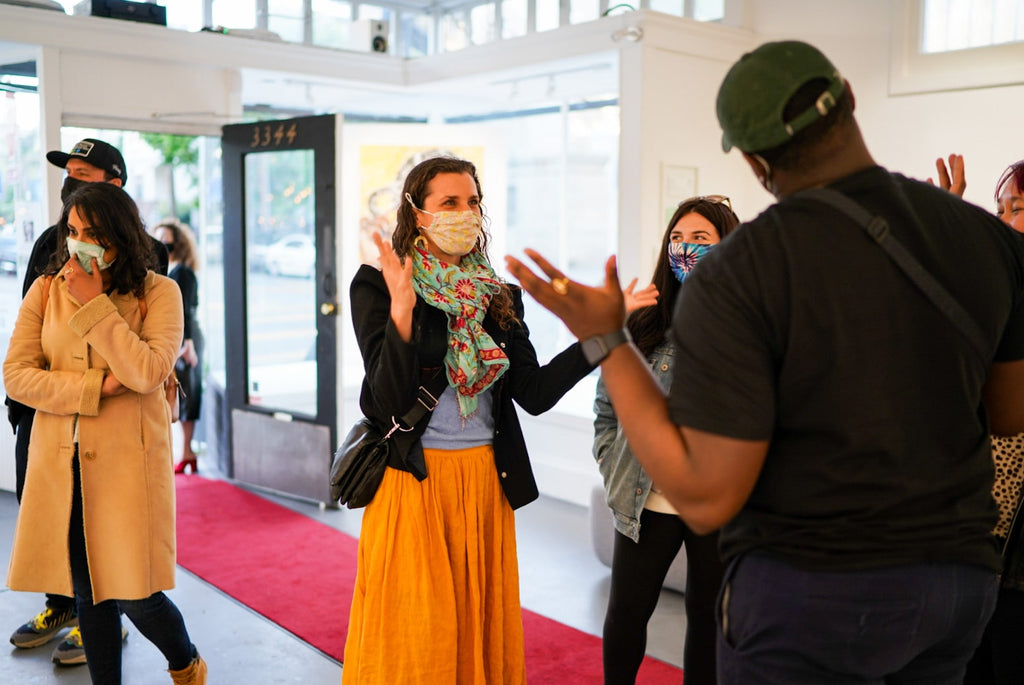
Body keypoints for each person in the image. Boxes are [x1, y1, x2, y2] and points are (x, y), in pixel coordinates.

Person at [506, 40, 1024, 684]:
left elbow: (704, 491)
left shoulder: (743, 270)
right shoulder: (986, 237)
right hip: (958, 583)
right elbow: (1008, 413)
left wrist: (607, 341)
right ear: (851, 100)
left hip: (819, 585)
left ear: (752, 161)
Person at [343, 156, 596, 684]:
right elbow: (388, 399)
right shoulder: (377, 283)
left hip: (484, 483)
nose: (466, 213)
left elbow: (533, 394)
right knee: (416, 633)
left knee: (476, 627)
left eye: (473, 201)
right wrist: (404, 308)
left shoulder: (499, 296)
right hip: (414, 483)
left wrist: (601, 340)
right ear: (417, 212)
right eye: (450, 203)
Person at [3, 182, 207, 685]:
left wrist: (95, 305)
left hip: (128, 467)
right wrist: (95, 388)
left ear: (120, 236)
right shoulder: (46, 290)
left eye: (92, 234)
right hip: (61, 463)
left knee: (135, 592)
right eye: (71, 232)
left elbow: (146, 372)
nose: (78, 244)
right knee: (88, 590)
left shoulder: (160, 292)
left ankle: (186, 664)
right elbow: (17, 374)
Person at [594, 195, 736, 685]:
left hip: (716, 502)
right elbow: (606, 405)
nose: (685, 249)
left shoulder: (749, 326)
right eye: (677, 238)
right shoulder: (644, 321)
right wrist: (610, 457)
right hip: (645, 497)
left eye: (701, 240)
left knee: (708, 621)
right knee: (627, 615)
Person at [931, 153, 1024, 685]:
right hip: (976, 547)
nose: (1004, 220)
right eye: (1001, 207)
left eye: (1017, 208)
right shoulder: (999, 296)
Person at [152, 218, 204, 474]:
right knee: (181, 392)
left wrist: (189, 345)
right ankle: (187, 452)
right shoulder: (170, 270)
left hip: (186, 339)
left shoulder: (182, 271)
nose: (163, 248)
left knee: (185, 393)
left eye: (168, 245)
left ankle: (187, 451)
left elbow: (188, 309)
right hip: (181, 338)